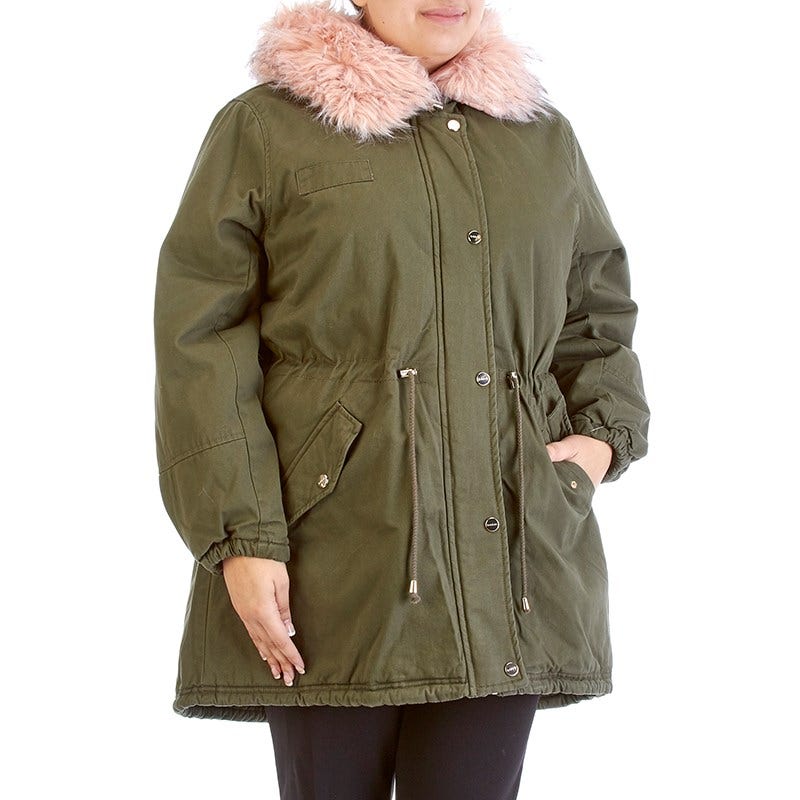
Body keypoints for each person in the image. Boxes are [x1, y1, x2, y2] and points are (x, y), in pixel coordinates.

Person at [153, 0, 650, 797]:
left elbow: (595, 309)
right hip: (330, 564)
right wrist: (241, 536)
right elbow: (201, 339)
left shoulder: (539, 136)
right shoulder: (269, 128)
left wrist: (596, 442)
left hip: (508, 563)